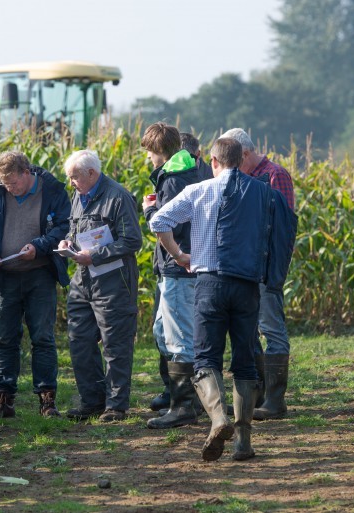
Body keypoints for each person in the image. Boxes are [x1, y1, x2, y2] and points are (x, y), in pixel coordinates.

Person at [149, 137, 273, 461]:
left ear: (214, 162)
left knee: (205, 358)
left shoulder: (198, 190)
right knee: (245, 361)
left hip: (209, 282)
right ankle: (243, 442)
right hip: (246, 284)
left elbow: (157, 221)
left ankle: (218, 419)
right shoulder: (259, 191)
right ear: (241, 159)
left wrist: (178, 255)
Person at [0, 151, 71, 418]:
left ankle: (47, 400)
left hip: (39, 274)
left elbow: (64, 227)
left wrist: (39, 246)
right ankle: (4, 399)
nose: (9, 187)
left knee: (42, 338)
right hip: (4, 276)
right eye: (5, 183)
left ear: (26, 173)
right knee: (5, 339)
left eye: (13, 182)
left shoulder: (53, 190)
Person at [57, 149, 142, 422]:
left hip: (113, 283)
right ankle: (91, 402)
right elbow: (74, 230)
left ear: (92, 173)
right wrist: (67, 243)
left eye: (74, 177)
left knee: (115, 346)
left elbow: (132, 241)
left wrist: (94, 255)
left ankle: (116, 406)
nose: (72, 182)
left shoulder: (118, 197)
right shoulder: (79, 196)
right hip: (82, 282)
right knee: (79, 341)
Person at [222, 128, 295, 421]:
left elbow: (283, 224)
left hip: (264, 267)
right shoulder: (245, 177)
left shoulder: (276, 175)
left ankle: (276, 401)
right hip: (242, 267)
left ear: (247, 154)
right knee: (247, 331)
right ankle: (258, 395)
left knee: (271, 328)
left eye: (237, 160)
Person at [141, 123, 208, 429]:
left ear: (159, 151)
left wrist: (149, 213)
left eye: (150, 153)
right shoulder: (196, 169)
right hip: (188, 264)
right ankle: (186, 395)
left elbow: (169, 224)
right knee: (163, 332)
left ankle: (185, 406)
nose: (148, 159)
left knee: (180, 338)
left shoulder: (172, 178)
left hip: (179, 268)